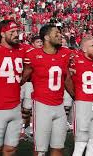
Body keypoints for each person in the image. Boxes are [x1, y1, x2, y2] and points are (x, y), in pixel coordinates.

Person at [22, 24, 74, 156]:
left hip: (59, 106)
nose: (60, 35)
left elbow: (67, 77)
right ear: (46, 37)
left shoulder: (65, 53)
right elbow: (24, 77)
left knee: (58, 147)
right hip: (42, 105)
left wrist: (75, 96)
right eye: (56, 33)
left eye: (60, 33)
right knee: (40, 150)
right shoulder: (33, 55)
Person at [71, 37, 93, 156]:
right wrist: (74, 95)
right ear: (84, 49)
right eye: (92, 46)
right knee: (80, 143)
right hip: (82, 104)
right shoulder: (75, 60)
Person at [0, 20, 24, 156]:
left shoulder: (22, 50)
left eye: (17, 31)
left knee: (10, 149)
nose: (16, 34)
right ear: (2, 34)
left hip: (15, 106)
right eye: (11, 32)